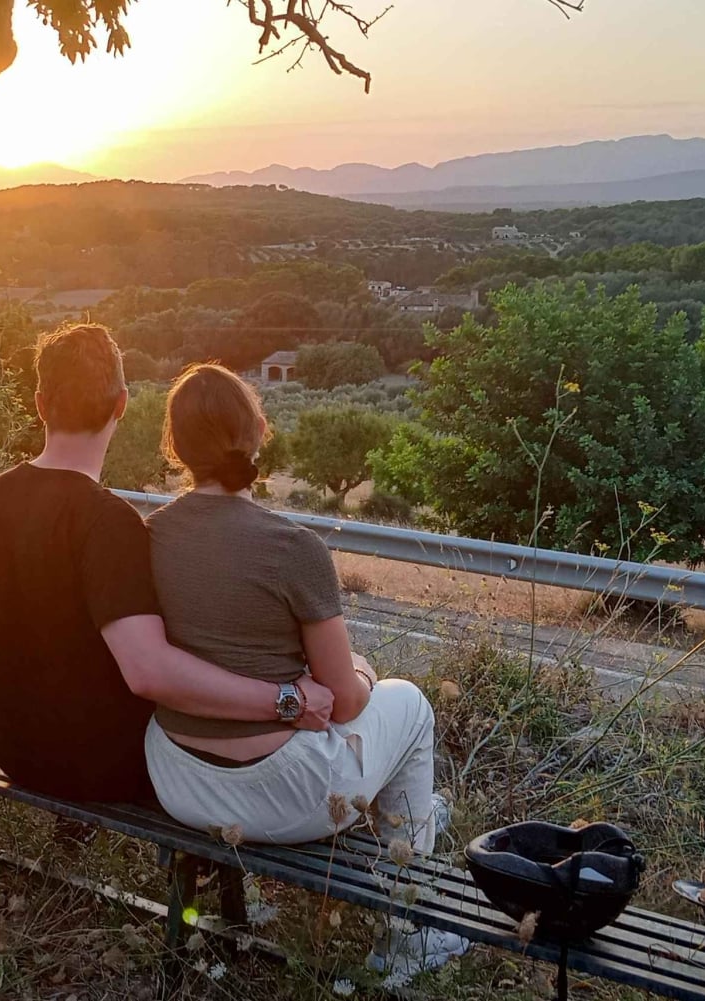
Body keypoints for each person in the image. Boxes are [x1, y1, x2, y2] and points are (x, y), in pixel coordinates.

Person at [142, 362, 469, 979]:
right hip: (285, 797)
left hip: (177, 782)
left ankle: (412, 826)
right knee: (410, 704)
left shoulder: (149, 536)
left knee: (372, 718)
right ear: (259, 431)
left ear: (175, 445)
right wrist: (366, 674)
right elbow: (342, 703)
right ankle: (408, 931)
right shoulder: (294, 547)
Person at [0, 324, 335, 803]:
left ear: (39, 403)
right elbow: (149, 672)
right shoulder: (107, 521)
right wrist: (289, 700)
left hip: (11, 746)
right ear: (122, 404)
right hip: (103, 764)